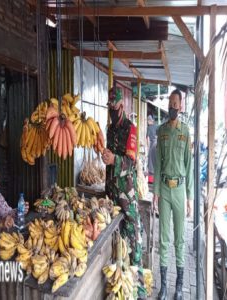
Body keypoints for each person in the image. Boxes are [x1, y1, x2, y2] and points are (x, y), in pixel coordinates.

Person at [102, 86, 146, 299]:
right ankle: (118, 283)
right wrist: (105, 156)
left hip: (126, 192)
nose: (112, 109)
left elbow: (131, 161)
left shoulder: (131, 129)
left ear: (122, 105)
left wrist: (115, 160)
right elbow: (110, 155)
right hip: (111, 189)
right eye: (110, 106)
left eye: (115, 106)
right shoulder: (110, 129)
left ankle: (139, 287)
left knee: (134, 232)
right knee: (115, 237)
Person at [153, 89, 193, 300]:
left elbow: (189, 165)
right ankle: (163, 287)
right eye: (170, 103)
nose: (172, 107)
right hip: (164, 190)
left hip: (179, 190)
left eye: (175, 103)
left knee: (179, 239)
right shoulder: (161, 131)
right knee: (164, 238)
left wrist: (189, 198)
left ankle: (178, 287)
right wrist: (156, 194)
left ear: (181, 106)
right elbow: (158, 163)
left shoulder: (185, 132)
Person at [146, 115, 158, 183]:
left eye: (148, 121)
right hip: (156, 143)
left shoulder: (149, 127)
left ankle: (151, 178)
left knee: (150, 160)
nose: (148, 122)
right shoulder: (156, 126)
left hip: (152, 144)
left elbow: (147, 138)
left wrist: (148, 147)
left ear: (150, 121)